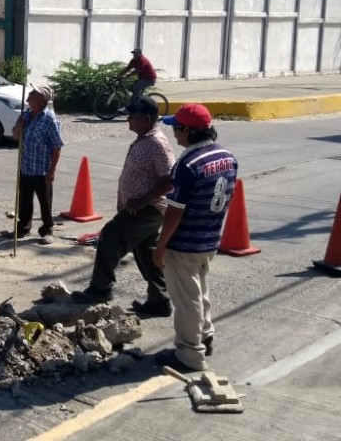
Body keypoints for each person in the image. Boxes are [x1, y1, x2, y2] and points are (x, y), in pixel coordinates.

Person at [70, 96, 175, 316]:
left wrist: (142, 199)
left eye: (133, 117)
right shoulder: (145, 138)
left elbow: (168, 180)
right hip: (139, 208)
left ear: (147, 119)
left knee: (109, 236)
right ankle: (160, 301)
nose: (128, 120)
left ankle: (101, 288)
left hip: (146, 210)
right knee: (147, 253)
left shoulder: (157, 143)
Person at [153, 103, 238, 372]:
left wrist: (161, 246)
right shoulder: (226, 157)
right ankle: (205, 334)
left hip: (184, 242)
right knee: (199, 290)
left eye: (176, 128)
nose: (174, 134)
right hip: (210, 236)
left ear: (188, 130)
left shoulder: (187, 165)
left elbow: (174, 213)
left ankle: (190, 353)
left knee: (186, 299)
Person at [11, 83, 63, 242]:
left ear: (41, 100)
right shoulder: (26, 115)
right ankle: (23, 228)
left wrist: (52, 170)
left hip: (42, 170)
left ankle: (47, 230)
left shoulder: (50, 120)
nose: (29, 96)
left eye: (33, 94)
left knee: (45, 202)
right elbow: (15, 136)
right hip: (26, 166)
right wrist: (19, 128)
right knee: (24, 200)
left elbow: (57, 146)